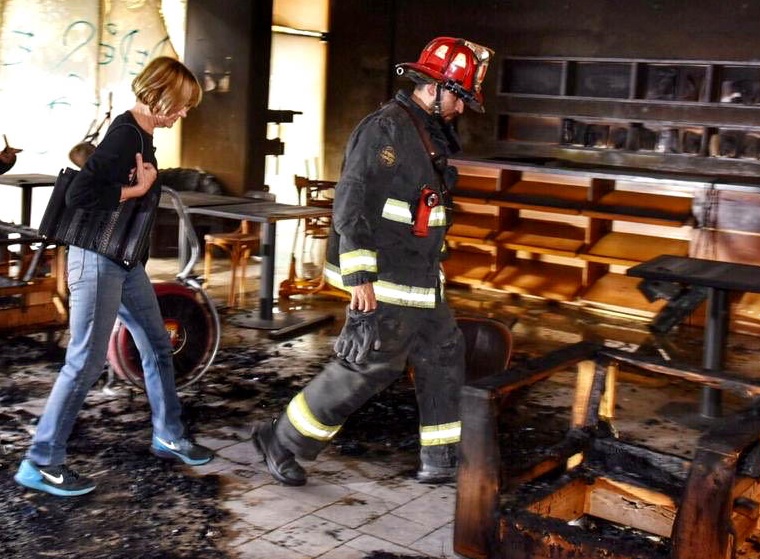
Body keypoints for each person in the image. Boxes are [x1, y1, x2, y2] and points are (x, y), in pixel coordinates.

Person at [252, 37, 494, 486]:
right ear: (433, 87)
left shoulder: (426, 134)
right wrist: (359, 277)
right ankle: (282, 440)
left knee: (444, 354)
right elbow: (351, 204)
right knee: (372, 365)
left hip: (420, 279)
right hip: (385, 279)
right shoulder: (385, 130)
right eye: (458, 98)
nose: (461, 109)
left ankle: (440, 460)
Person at [14, 57, 214, 497]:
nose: (183, 115)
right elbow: (82, 193)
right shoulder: (126, 135)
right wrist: (137, 191)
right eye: (179, 106)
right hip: (96, 261)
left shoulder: (142, 135)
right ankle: (41, 461)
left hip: (122, 262)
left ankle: (168, 434)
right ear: (158, 95)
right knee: (84, 360)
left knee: (158, 345)